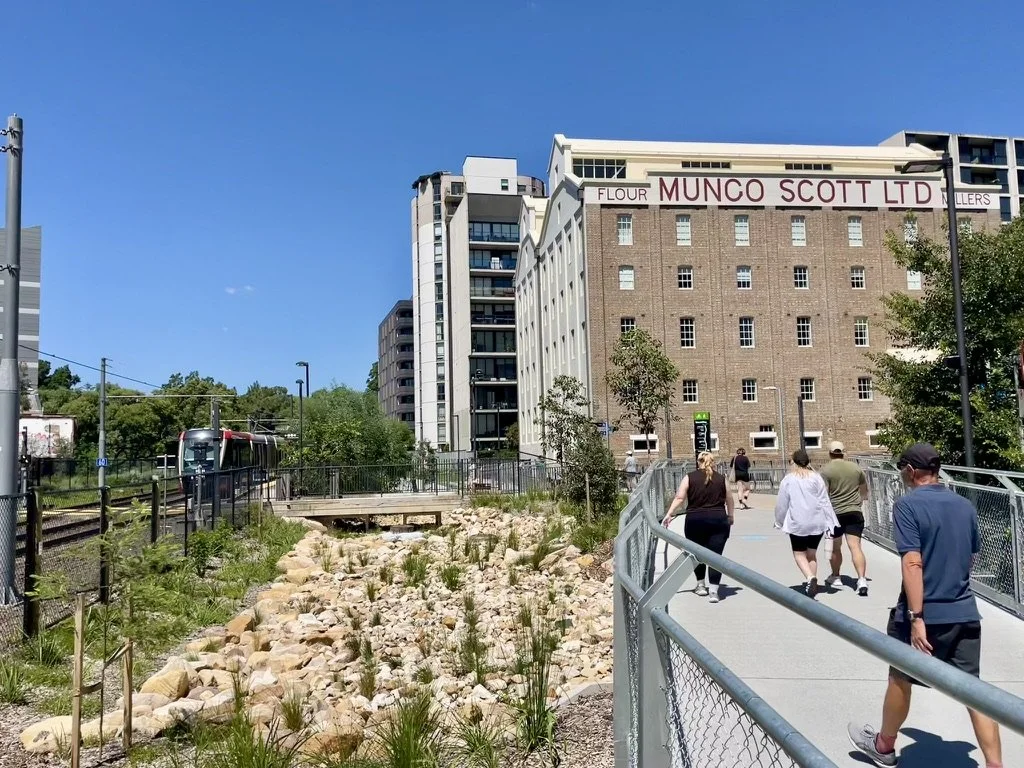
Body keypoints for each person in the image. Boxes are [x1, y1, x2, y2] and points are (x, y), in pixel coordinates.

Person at [848, 443, 1002, 768]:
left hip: (923, 613)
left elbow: (913, 563)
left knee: (900, 678)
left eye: (903, 468)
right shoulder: (964, 506)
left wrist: (918, 617)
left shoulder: (907, 506)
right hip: (964, 610)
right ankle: (995, 764)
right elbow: (970, 556)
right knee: (975, 692)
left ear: (912, 471)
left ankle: (884, 746)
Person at [662, 451, 735, 603]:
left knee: (697, 553)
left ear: (698, 462)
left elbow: (680, 498)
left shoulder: (689, 477)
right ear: (713, 462)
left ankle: (701, 585)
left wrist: (669, 514)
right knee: (715, 556)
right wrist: (731, 516)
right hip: (718, 519)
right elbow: (729, 499)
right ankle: (714, 591)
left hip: (695, 520)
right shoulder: (722, 479)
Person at [774, 448, 839, 598]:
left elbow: (782, 504)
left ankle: (810, 578)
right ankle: (812, 583)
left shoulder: (789, 479)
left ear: (793, 462)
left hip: (798, 522)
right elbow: (824, 501)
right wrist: (830, 522)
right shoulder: (816, 478)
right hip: (817, 522)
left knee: (798, 554)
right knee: (811, 554)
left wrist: (779, 521)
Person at [819, 441, 870, 596]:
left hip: (835, 514)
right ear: (843, 452)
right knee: (855, 547)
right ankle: (861, 579)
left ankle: (836, 576)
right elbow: (864, 492)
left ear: (829, 453)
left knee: (836, 547)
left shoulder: (825, 471)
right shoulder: (856, 468)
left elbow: (824, 495)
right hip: (854, 511)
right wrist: (858, 502)